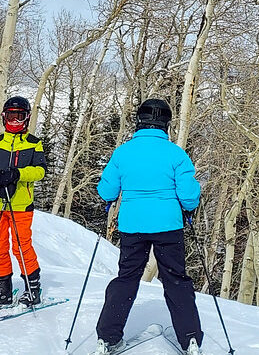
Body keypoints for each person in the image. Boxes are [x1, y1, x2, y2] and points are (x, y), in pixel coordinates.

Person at [94, 99, 204, 355]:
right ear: (166, 123)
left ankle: (108, 338)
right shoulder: (176, 153)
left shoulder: (123, 152)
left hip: (133, 226)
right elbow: (189, 197)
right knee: (176, 280)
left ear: (139, 121)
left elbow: (107, 190)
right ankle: (190, 340)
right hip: (168, 226)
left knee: (127, 278)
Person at [0, 95, 47, 308]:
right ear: (4, 118)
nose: (14, 121)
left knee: (21, 246)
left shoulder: (34, 144)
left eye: (19, 117)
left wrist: (18, 174)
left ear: (26, 119)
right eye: (10, 116)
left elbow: (40, 171)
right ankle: (3, 289)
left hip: (20, 206)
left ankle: (32, 288)